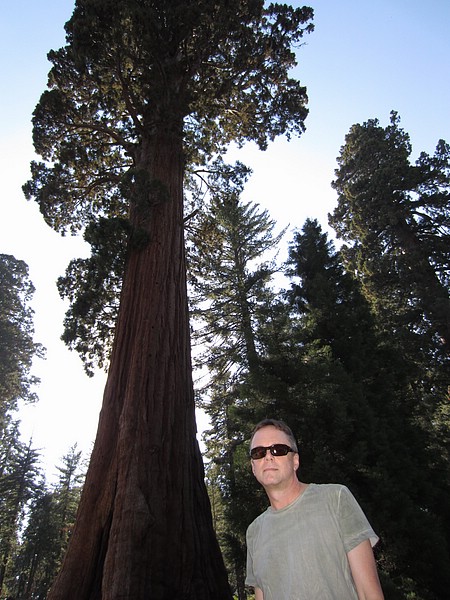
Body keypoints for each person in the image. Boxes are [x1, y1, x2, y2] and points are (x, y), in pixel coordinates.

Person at [245, 418, 384, 600]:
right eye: (259, 453)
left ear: (295, 461)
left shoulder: (336, 499)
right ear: (253, 468)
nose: (268, 457)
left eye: (278, 450)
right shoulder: (254, 532)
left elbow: (369, 592)